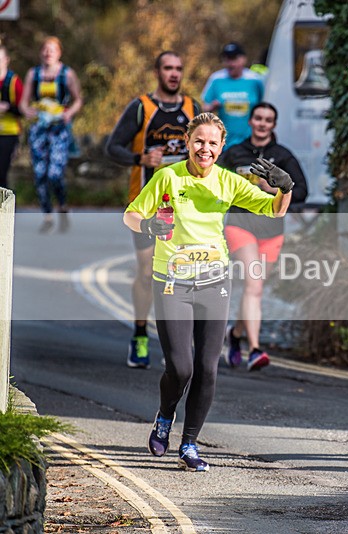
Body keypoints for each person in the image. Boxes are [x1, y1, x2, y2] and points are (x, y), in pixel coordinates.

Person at [123, 112, 293, 471]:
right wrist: (150, 225)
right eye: (199, 141)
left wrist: (285, 187)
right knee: (181, 368)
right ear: (187, 142)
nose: (205, 149)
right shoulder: (168, 177)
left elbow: (275, 211)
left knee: (207, 368)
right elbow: (132, 215)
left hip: (214, 282)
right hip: (172, 281)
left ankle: (189, 444)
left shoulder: (229, 182)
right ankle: (165, 415)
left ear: (220, 147)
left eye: (213, 143)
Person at [106, 51, 201, 370]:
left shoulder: (192, 108)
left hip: (184, 205)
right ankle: (140, 334)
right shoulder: (141, 107)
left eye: (178, 68)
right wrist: (141, 160)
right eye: (168, 68)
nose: (174, 74)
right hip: (147, 204)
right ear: (157, 72)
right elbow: (112, 147)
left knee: (178, 275)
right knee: (148, 273)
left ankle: (175, 344)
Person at [217, 102, 308, 371]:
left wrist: (276, 187)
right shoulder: (234, 153)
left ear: (273, 125)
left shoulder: (283, 155)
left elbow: (301, 190)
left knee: (253, 289)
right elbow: (214, 183)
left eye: (268, 120)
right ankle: (255, 350)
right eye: (258, 118)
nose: (262, 123)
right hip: (240, 224)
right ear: (251, 121)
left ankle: (235, 336)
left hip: (271, 231)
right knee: (254, 286)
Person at [19, 36, 83, 233]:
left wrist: (69, 113)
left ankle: (62, 206)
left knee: (54, 173)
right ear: (41, 52)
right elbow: (23, 101)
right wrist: (27, 110)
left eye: (52, 50)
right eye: (45, 50)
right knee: (39, 174)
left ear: (59, 53)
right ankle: (47, 215)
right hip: (39, 129)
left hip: (58, 130)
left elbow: (78, 99)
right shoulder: (34, 74)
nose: (48, 53)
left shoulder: (67, 74)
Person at [201, 42, 264, 147]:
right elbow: (204, 108)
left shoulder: (255, 80)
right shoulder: (216, 79)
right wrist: (212, 106)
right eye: (226, 60)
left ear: (243, 59)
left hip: (251, 142)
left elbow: (265, 106)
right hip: (224, 142)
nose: (230, 64)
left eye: (233, 59)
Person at [0, 45, 23, 190]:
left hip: (9, 132)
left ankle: (4, 210)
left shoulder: (14, 82)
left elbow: (23, 109)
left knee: (1, 173)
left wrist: (8, 107)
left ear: (6, 60)